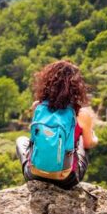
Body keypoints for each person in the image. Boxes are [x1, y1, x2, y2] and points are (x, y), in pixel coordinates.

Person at [16, 60, 98, 189]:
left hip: (35, 175)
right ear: (77, 87)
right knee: (82, 139)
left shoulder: (37, 107)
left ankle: (37, 168)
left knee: (21, 140)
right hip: (66, 180)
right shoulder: (81, 114)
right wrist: (94, 138)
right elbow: (88, 144)